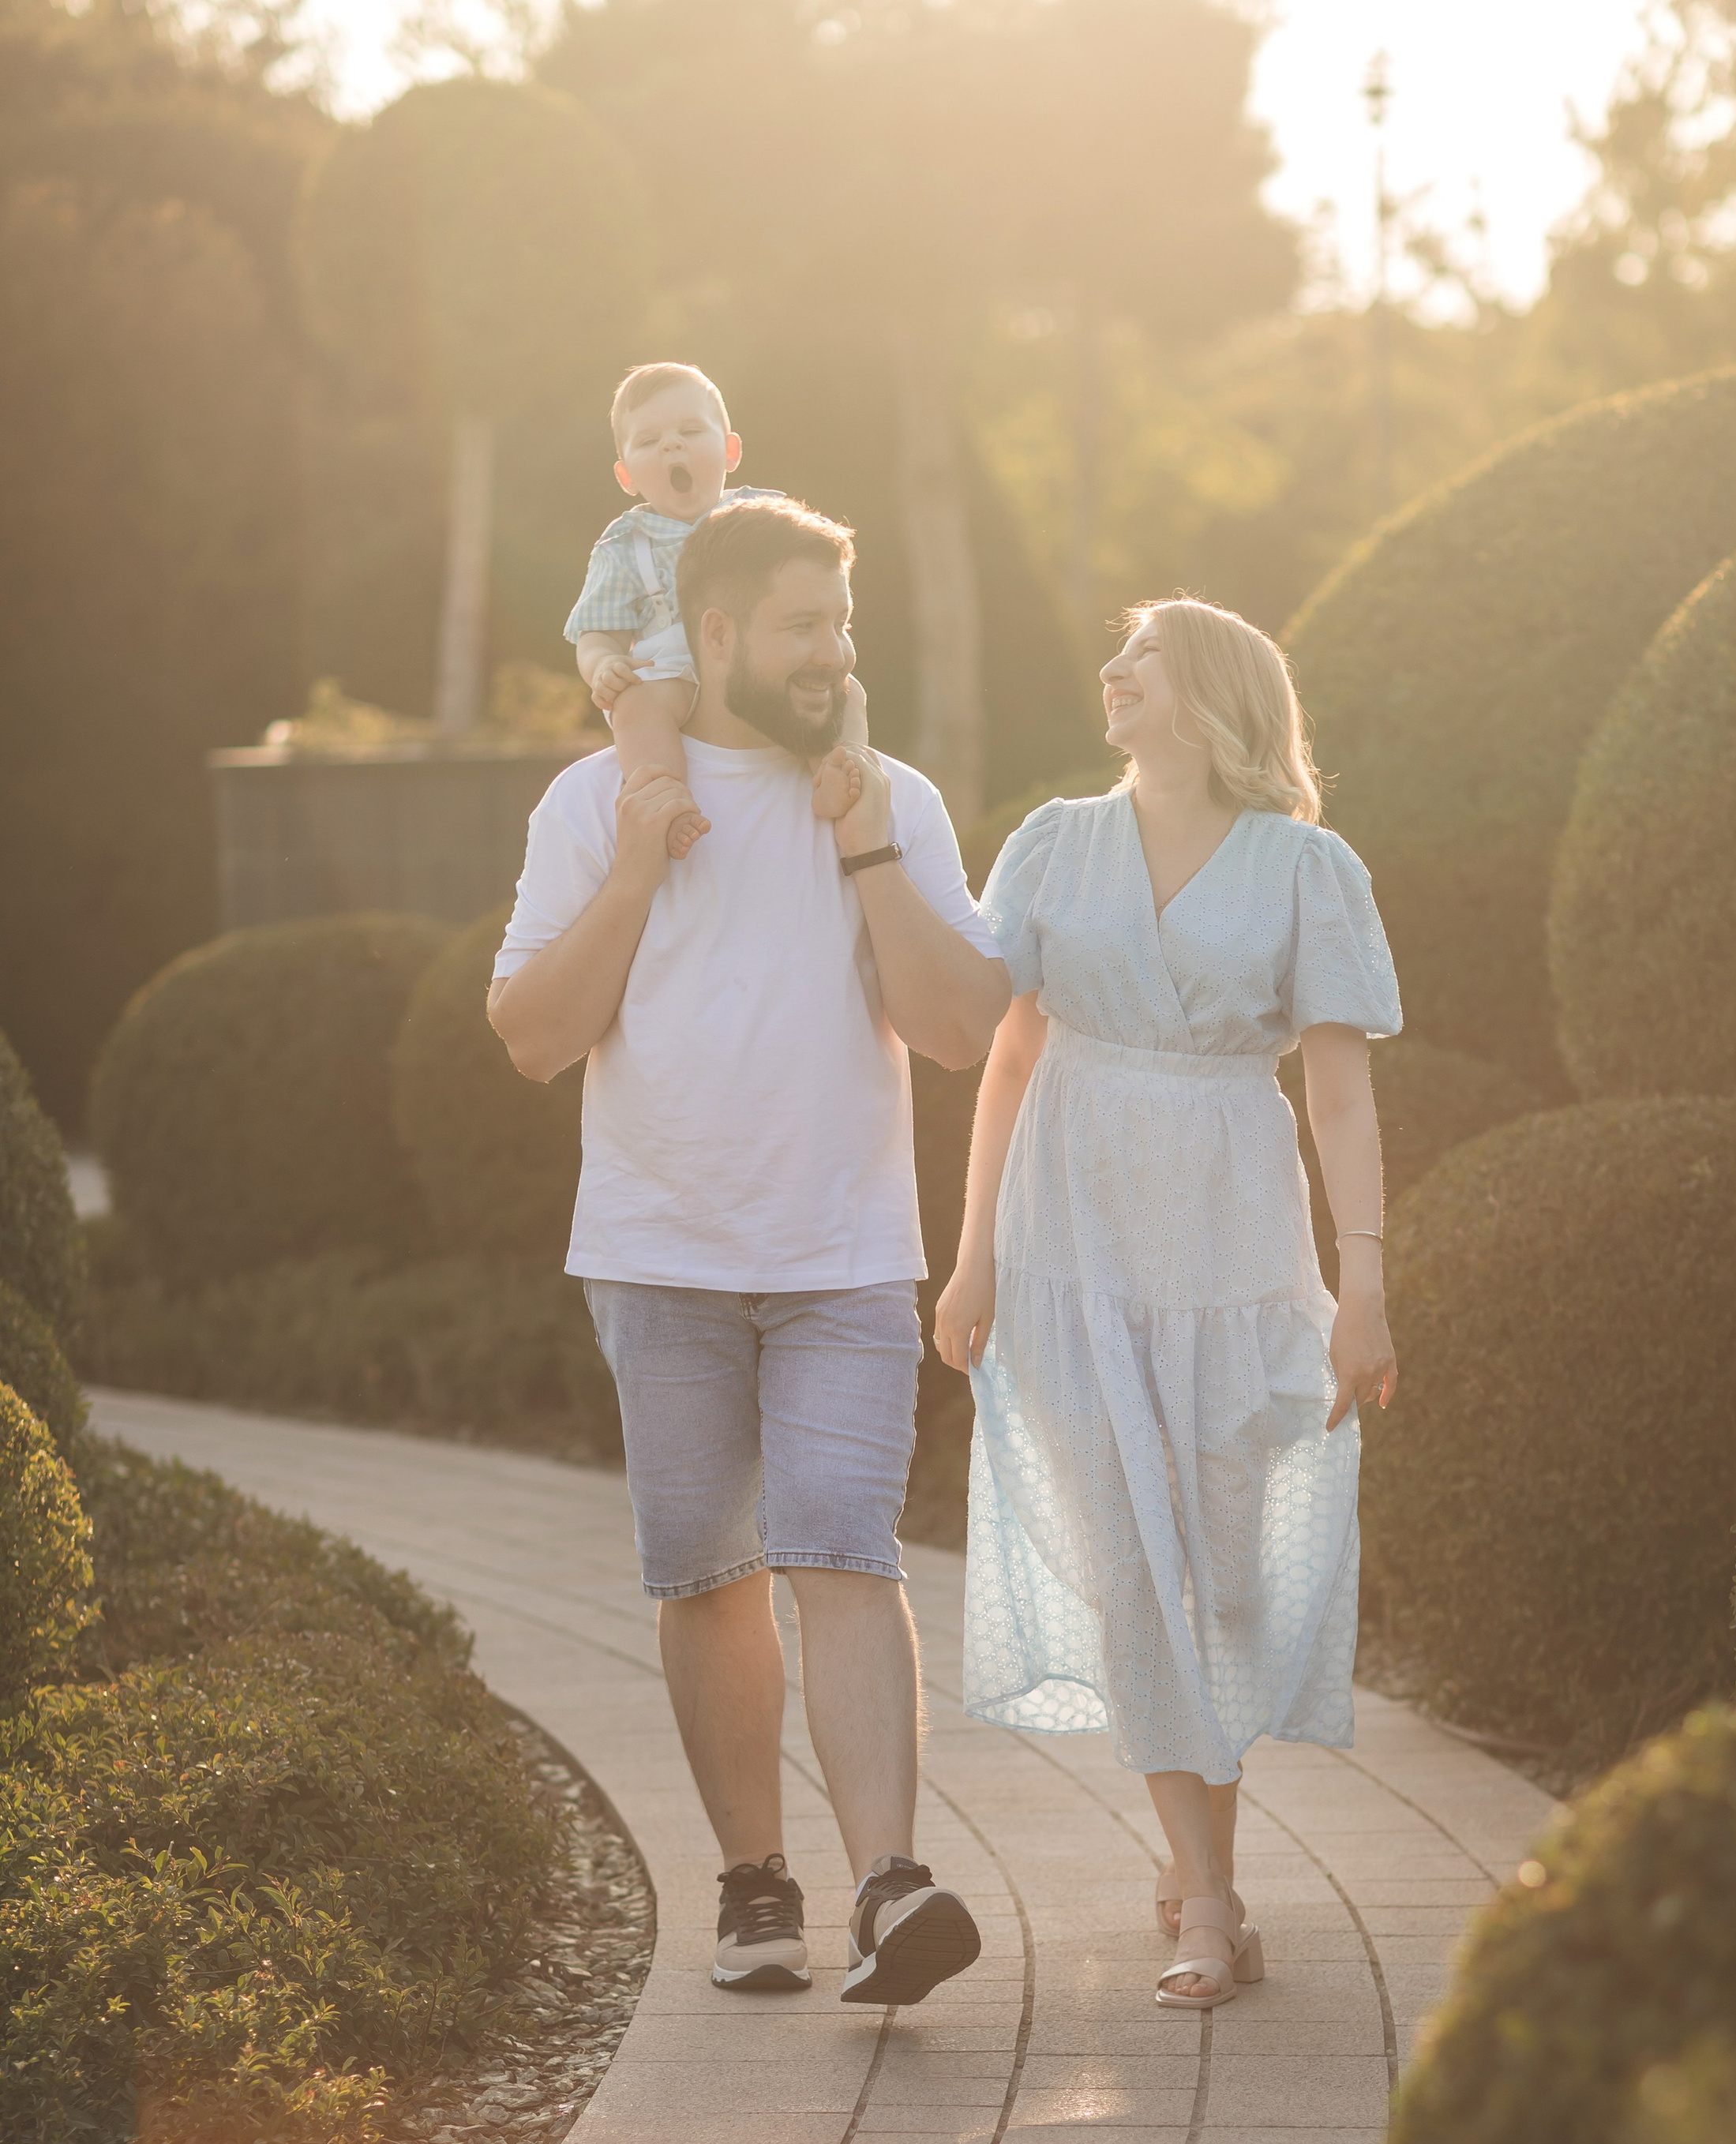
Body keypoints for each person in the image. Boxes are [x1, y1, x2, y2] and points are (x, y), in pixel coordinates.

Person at [492, 494, 1010, 2004]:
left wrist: (866, 854)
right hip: (660, 1258)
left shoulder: (889, 795)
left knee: (844, 1549)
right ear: (712, 633)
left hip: (846, 1258)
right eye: (801, 625)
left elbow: (962, 1031)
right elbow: (530, 1036)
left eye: (842, 626)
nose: (830, 653)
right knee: (708, 1573)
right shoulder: (594, 805)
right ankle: (754, 1884)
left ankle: (890, 1886)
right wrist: (642, 871)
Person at [933, 597, 1400, 2011]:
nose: (1111, 673)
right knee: (1137, 1560)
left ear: (1205, 696)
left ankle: (1200, 1847)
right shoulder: (1051, 843)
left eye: (1141, 657)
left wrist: (1366, 1279)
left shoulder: (1307, 867)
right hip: (1069, 1227)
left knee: (1226, 1563)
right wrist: (970, 1256)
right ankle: (1209, 1895)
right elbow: (1004, 1057)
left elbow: (1335, 1086)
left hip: (1229, 1235)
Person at [565, 360, 867, 862]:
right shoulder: (624, 546)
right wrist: (604, 666)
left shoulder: (766, 516)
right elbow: (597, 632)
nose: (671, 446)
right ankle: (666, 799)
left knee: (847, 691)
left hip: (762, 655)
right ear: (626, 476)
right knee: (635, 707)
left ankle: (841, 767)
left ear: (730, 451)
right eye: (648, 442)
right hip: (674, 665)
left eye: (689, 431)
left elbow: (813, 581)